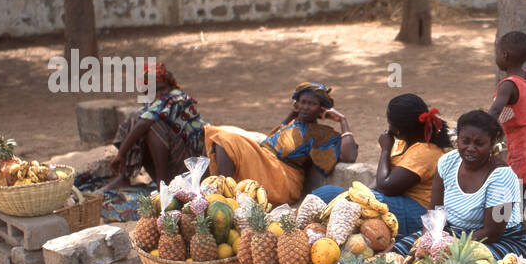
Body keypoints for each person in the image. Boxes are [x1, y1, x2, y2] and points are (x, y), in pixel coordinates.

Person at [393, 110, 526, 259]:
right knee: (400, 251)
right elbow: (435, 210)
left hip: (498, 241)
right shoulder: (448, 162)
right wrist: (429, 238)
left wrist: (449, 246)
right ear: (457, 139)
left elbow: (492, 233)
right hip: (451, 232)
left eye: (479, 143)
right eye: (465, 141)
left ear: (492, 142)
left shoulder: (502, 177)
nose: (470, 148)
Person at [314, 94, 451, 237]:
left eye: (389, 122)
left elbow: (387, 187)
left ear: (397, 129)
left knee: (350, 207)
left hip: (415, 213)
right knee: (326, 193)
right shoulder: (403, 143)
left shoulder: (426, 151)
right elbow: (378, 185)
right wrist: (357, 195)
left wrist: (385, 150)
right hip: (393, 202)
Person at [203, 82, 358, 207]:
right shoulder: (292, 124)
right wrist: (292, 113)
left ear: (321, 109)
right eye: (302, 102)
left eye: (312, 104)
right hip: (266, 164)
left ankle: (224, 201)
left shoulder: (319, 132)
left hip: (282, 178)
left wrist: (343, 121)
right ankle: (215, 193)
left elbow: (349, 156)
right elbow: (272, 139)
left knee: (226, 139)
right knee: (214, 133)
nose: (305, 107)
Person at [105, 62, 205, 190]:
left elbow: (145, 123)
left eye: (162, 88)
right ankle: (124, 177)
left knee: (153, 126)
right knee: (132, 123)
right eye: (152, 91)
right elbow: (138, 122)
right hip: (174, 160)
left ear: (170, 85)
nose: (158, 95)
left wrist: (120, 154)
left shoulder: (176, 97)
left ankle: (161, 185)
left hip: (192, 164)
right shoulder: (151, 104)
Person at [488, 30, 526, 194]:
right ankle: (525, 197)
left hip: (522, 133)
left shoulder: (508, 84)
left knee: (517, 172)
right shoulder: (525, 78)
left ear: (504, 55)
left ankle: (518, 204)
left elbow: (496, 109)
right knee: (521, 167)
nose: (495, 57)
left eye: (496, 53)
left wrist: (481, 126)